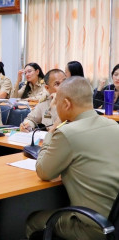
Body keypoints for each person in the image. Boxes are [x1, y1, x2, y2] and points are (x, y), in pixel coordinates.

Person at [26, 77, 119, 240]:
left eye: (57, 102)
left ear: (67, 104)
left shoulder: (67, 133)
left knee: (33, 221)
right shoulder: (113, 126)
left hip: (93, 227)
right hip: (115, 222)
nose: (55, 106)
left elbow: (43, 171)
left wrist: (51, 132)